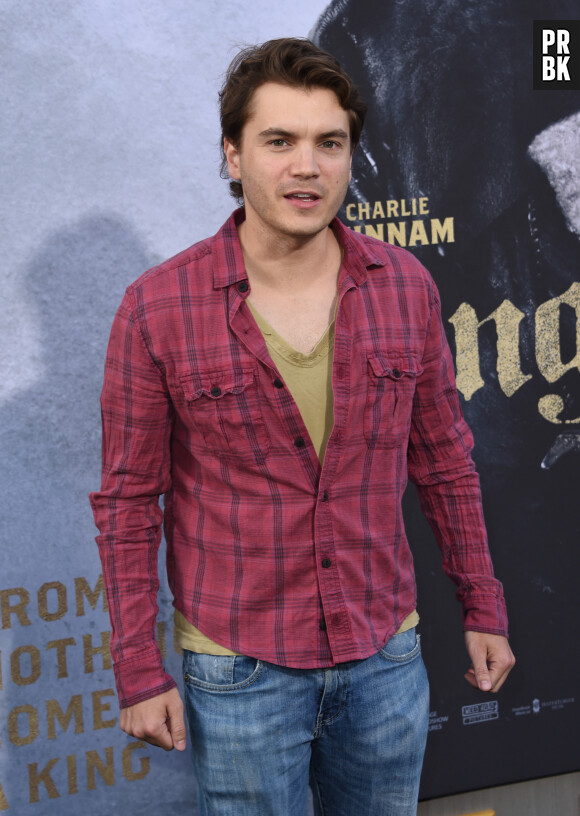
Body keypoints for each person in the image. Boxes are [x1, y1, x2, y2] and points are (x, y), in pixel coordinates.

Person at [90, 37, 514, 816]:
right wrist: (138, 670)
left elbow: (447, 464)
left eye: (330, 143)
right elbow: (126, 505)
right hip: (239, 667)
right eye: (278, 141)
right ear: (232, 155)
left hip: (385, 654)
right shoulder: (156, 309)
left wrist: (482, 605)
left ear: (354, 156)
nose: (306, 166)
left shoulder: (406, 287)